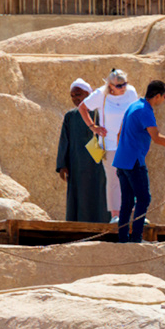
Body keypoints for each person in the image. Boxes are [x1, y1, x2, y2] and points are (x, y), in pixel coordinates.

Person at [111, 77, 160, 244]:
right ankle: (136, 237)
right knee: (144, 198)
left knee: (127, 201)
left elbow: (119, 134)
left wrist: (123, 152)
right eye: (164, 96)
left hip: (122, 160)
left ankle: (123, 238)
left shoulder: (133, 106)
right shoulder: (146, 110)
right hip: (134, 162)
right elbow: (157, 137)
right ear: (158, 96)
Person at [56, 79, 108, 225]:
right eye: (72, 96)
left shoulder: (100, 112)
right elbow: (64, 140)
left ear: (88, 94)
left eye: (78, 95)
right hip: (77, 164)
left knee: (101, 194)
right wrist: (62, 165)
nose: (75, 99)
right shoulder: (70, 116)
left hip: (99, 163)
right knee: (80, 196)